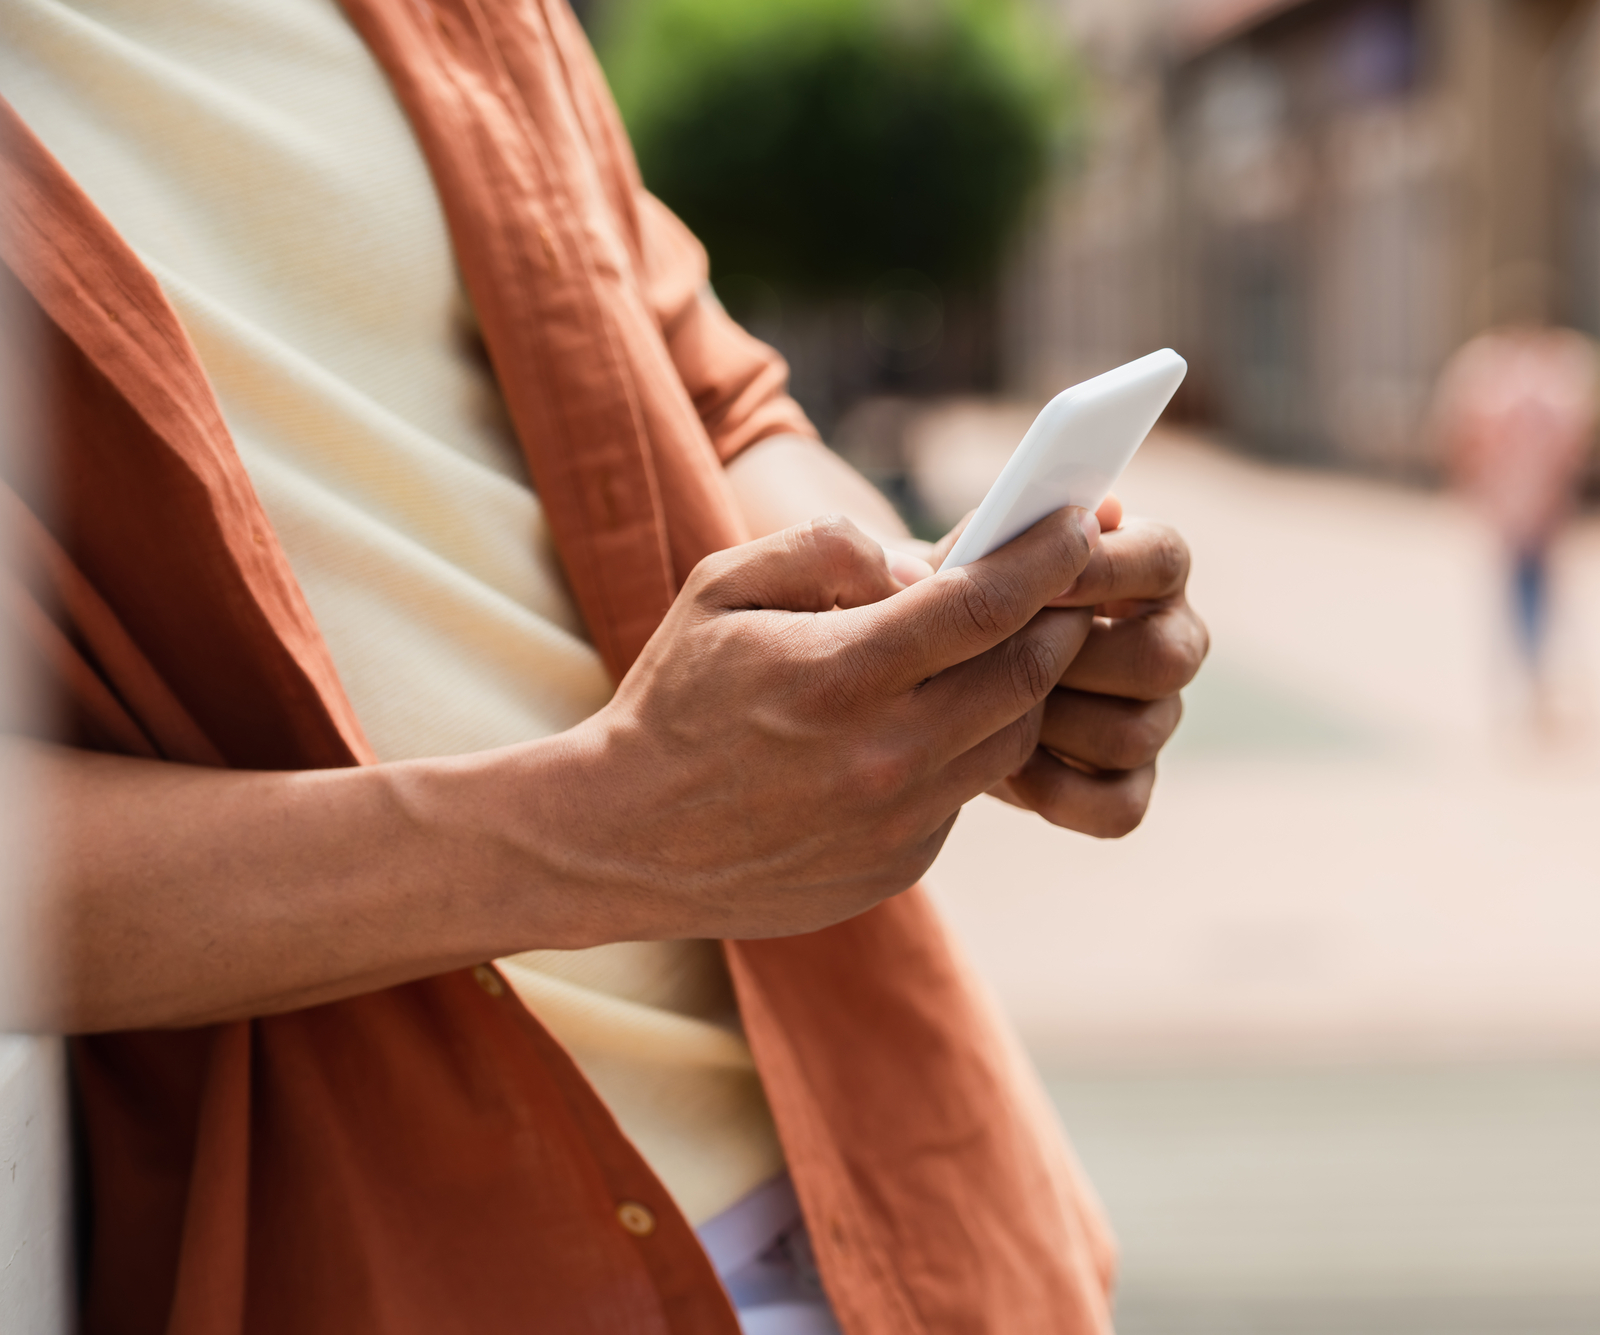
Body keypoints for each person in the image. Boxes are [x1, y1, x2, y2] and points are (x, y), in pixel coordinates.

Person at [0, 1, 1206, 1331]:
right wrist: (598, 829)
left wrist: (932, 616)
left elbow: (713, 396)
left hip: (882, 1192)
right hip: (389, 1253)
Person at [1431, 318, 1600, 729]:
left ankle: (1529, 671)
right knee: (1539, 586)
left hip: (1508, 497)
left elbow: (1461, 436)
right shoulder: (1556, 380)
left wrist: (1473, 483)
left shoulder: (1490, 379)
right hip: (1539, 497)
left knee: (1518, 588)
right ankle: (1536, 670)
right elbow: (1578, 443)